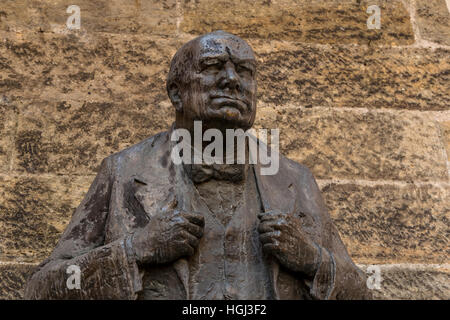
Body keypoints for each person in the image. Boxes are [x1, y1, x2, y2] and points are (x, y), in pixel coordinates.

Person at [25, 31, 371, 300]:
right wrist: (136, 250)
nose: (232, 79)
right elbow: (42, 288)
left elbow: (361, 292)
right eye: (212, 67)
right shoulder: (123, 172)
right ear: (176, 93)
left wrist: (312, 260)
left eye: (245, 71)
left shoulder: (294, 179)